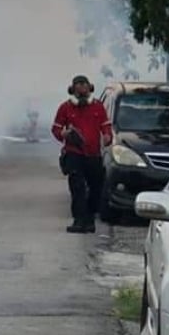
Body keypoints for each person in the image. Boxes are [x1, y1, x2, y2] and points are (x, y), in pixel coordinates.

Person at [51, 75, 113, 234]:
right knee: (77, 188)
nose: (81, 88)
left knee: (96, 188)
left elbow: (106, 126)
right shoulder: (65, 108)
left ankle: (90, 220)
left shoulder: (98, 107)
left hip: (93, 154)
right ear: (72, 89)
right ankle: (79, 220)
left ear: (89, 87)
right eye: (77, 85)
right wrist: (64, 134)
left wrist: (107, 136)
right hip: (74, 154)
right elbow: (56, 129)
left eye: (83, 84)